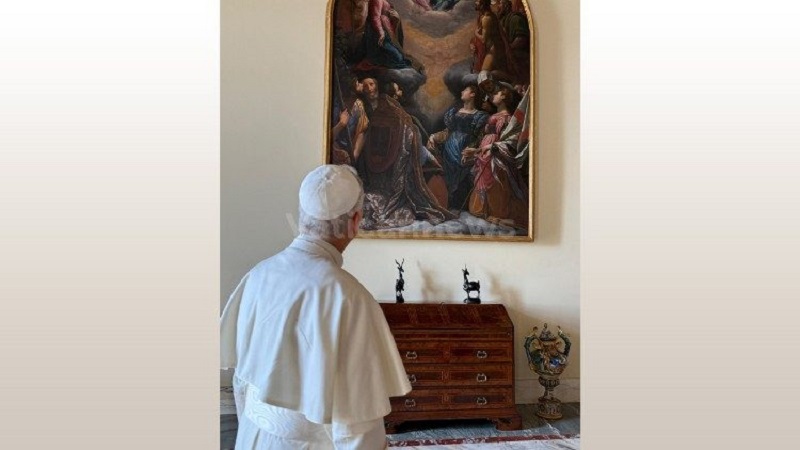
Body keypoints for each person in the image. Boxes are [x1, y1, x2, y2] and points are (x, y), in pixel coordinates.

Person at [220, 165, 412, 449]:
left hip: (252, 437)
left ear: (302, 215)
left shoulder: (259, 274)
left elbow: (242, 381)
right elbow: (358, 424)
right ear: (355, 221)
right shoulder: (348, 297)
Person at [462, 83, 528, 229]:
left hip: (494, 154)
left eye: (497, 93)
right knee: (480, 187)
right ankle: (486, 210)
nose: (494, 95)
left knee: (495, 180)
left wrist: (485, 148)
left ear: (503, 97)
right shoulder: (494, 115)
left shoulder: (508, 118)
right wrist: (476, 150)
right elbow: (484, 135)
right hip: (485, 151)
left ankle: (496, 212)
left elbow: (505, 139)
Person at [427, 84, 490, 210]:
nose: (462, 91)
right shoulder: (454, 112)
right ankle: (447, 202)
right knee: (448, 177)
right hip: (449, 149)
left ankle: (460, 204)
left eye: (466, 90)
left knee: (462, 178)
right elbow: (447, 132)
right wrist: (433, 137)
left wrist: (472, 150)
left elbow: (478, 138)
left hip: (465, 150)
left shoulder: (480, 116)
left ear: (473, 94)